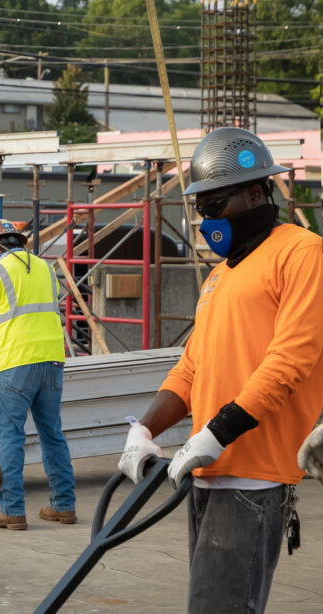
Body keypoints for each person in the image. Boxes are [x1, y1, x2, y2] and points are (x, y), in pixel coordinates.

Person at [116, 127, 323, 613]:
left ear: (256, 192)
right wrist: (144, 429)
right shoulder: (220, 276)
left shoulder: (301, 253)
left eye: (214, 204)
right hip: (207, 475)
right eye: (200, 207)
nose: (206, 218)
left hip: (253, 478)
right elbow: (192, 367)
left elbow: (291, 359)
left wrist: (216, 433)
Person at [0, 218, 75, 531]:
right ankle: (64, 506)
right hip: (52, 360)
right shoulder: (46, 269)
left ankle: (11, 510)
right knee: (53, 435)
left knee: (9, 436)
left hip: (16, 363)